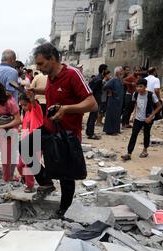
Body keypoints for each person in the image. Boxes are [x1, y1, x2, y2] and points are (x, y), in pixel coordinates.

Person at [26, 43, 97, 218]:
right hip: (49, 127)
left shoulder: (72, 74)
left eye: (41, 64)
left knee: (66, 174)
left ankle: (64, 209)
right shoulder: (50, 76)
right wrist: (35, 90)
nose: (38, 68)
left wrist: (66, 109)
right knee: (25, 148)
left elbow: (92, 104)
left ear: (52, 59)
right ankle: (46, 182)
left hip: (67, 133)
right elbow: (54, 91)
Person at [121, 79, 163, 161]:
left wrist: (150, 116)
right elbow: (135, 104)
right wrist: (134, 116)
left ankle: (145, 150)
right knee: (134, 134)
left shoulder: (151, 95)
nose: (138, 88)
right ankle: (129, 153)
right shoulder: (135, 94)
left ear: (145, 87)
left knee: (146, 134)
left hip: (148, 118)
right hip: (138, 118)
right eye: (137, 86)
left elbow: (159, 106)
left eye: (141, 86)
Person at [17, 93, 43, 193]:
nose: (23, 107)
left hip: (36, 141)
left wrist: (32, 99)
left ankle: (30, 185)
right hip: (25, 142)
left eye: (25, 105)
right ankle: (25, 178)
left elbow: (34, 104)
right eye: (21, 105)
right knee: (20, 165)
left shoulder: (36, 110)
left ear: (31, 103)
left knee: (29, 166)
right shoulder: (27, 113)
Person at [86, 64, 108, 140]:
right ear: (103, 70)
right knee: (93, 117)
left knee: (92, 116)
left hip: (95, 100)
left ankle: (89, 132)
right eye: (106, 70)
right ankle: (90, 133)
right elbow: (91, 90)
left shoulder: (98, 78)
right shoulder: (98, 79)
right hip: (95, 100)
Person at [103, 66, 124, 135]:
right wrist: (110, 91)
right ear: (117, 72)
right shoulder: (113, 80)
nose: (123, 72)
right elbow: (105, 86)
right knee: (111, 116)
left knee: (117, 116)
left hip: (118, 101)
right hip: (113, 101)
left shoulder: (120, 80)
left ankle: (116, 130)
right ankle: (110, 131)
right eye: (121, 71)